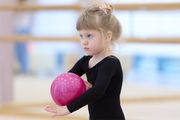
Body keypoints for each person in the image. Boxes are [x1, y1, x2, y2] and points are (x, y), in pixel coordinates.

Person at [45, 3, 125, 120]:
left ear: (107, 36)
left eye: (89, 36)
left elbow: (97, 91)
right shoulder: (85, 61)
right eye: (81, 36)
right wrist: (79, 84)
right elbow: (67, 78)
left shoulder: (110, 63)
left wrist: (68, 108)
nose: (84, 42)